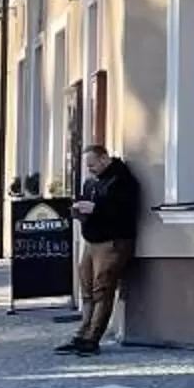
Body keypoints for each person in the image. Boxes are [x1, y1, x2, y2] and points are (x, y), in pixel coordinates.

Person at [61, 143, 141, 355]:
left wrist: (96, 208)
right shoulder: (91, 182)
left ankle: (93, 338)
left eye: (93, 164)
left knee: (102, 289)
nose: (90, 169)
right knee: (86, 289)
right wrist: (78, 211)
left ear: (105, 159)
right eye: (87, 166)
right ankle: (82, 334)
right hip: (92, 240)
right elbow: (88, 204)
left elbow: (124, 210)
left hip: (112, 241)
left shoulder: (122, 180)